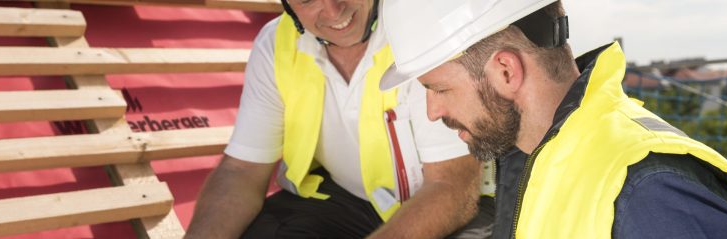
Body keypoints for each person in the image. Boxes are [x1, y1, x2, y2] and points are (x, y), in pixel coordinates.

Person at [378, 0, 727, 238]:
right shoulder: (530, 157)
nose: (432, 111)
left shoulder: (648, 191)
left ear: (505, 71)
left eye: (439, 89)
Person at [184, 0, 496, 238]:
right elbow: (241, 171)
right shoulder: (276, 46)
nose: (334, 11)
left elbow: (452, 189)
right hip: (349, 201)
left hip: (455, 208)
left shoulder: (420, 27)